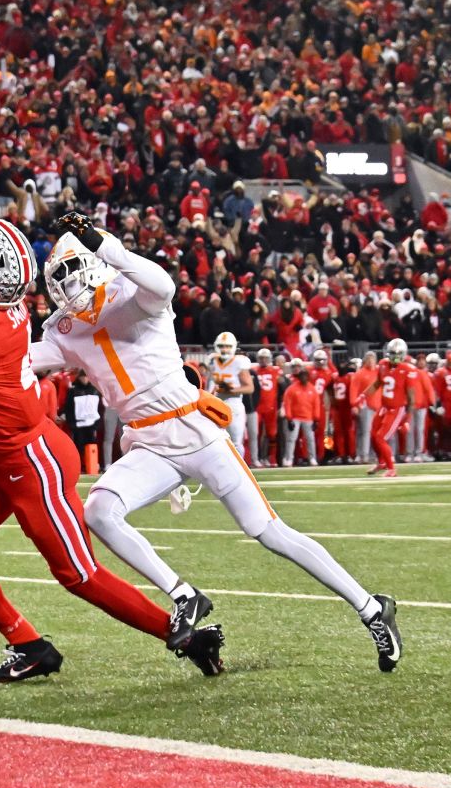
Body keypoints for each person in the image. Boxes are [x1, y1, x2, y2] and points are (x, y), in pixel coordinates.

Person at [34, 213, 401, 672]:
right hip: (149, 444)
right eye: (60, 280)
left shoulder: (134, 292)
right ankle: (183, 594)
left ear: (98, 262)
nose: (69, 289)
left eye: (74, 272)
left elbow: (163, 285)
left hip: (195, 430)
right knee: (99, 512)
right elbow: (18, 360)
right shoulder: (65, 330)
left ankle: (371, 608)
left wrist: (103, 242)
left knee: (268, 532)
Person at [0, 216, 218, 683]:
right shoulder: (1, 312)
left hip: (32, 461)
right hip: (0, 456)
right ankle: (30, 646)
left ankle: (191, 638)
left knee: (78, 574)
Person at [364, 339, 417, 479]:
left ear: (404, 354)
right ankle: (381, 462)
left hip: (396, 408)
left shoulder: (408, 370)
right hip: (384, 407)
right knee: (373, 435)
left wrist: (407, 419)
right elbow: (377, 384)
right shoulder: (382, 365)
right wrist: (363, 396)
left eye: (398, 354)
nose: (395, 357)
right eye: (393, 353)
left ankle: (391, 469)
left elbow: (412, 398)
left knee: (380, 437)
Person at [207, 332, 254, 458]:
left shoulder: (239, 362)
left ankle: (240, 473)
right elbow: (209, 385)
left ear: (233, 346)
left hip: (233, 404)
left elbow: (249, 388)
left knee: (236, 442)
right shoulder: (213, 361)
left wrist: (230, 390)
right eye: (222, 346)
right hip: (215, 405)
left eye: (227, 346)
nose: (224, 349)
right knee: (215, 441)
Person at [281, 361, 321, 467]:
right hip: (295, 418)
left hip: (308, 418)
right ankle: (289, 459)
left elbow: (316, 404)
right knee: (291, 439)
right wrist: (289, 418)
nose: (303, 378)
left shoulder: (312, 389)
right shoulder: (292, 389)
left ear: (308, 377)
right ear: (299, 377)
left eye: (305, 375)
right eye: (301, 376)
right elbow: (287, 404)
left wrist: (316, 419)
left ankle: (312, 458)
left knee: (310, 439)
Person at [62, 370, 102, 471]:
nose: (84, 379)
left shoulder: (95, 390)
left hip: (91, 424)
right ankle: (78, 466)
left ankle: (91, 466)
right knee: (78, 447)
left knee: (91, 447)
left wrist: (97, 424)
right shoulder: (73, 390)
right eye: (82, 377)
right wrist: (72, 423)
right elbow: (69, 408)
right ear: (79, 378)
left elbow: (99, 408)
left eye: (86, 377)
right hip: (78, 425)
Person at [247, 349, 280, 467]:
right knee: (255, 434)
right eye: (261, 358)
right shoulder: (254, 371)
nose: (264, 360)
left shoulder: (276, 371)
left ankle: (271, 458)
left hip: (271, 407)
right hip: (257, 407)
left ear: (270, 358)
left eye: (266, 358)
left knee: (272, 434)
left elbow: (283, 387)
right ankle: (255, 458)